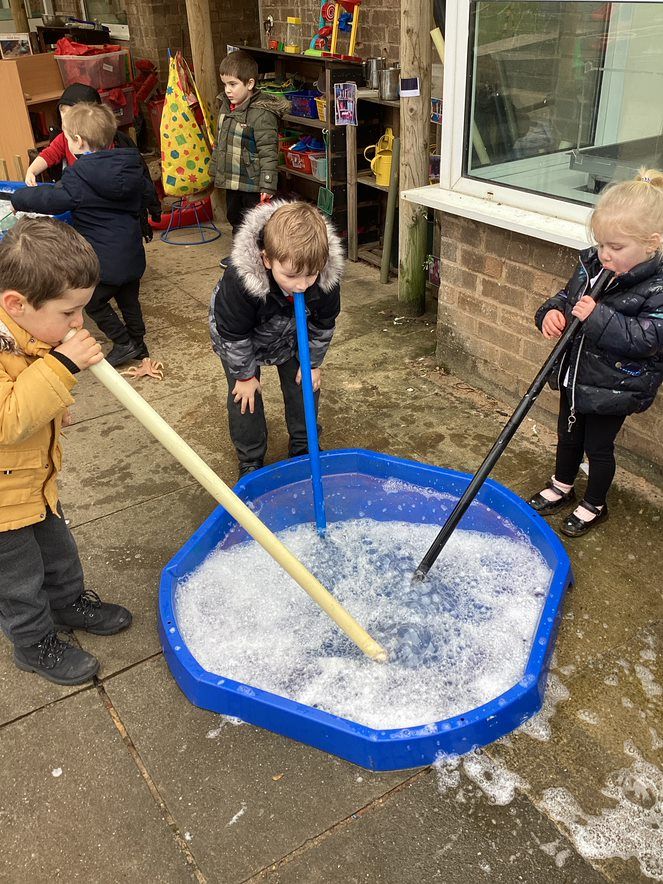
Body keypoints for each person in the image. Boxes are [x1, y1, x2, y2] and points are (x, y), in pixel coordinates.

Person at [0, 217, 132, 685]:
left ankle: (68, 602)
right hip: (1, 505)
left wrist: (52, 409)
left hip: (33, 480)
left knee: (58, 550)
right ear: (16, 303)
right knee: (16, 579)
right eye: (68, 312)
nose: (78, 322)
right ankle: (34, 643)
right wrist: (62, 366)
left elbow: (27, 392)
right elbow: (8, 419)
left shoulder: (25, 327)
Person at [528, 169, 663, 537]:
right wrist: (550, 312)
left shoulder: (657, 287)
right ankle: (562, 484)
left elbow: (647, 339)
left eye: (616, 248)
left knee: (598, 447)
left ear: (651, 244)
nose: (604, 254)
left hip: (614, 386)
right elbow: (566, 298)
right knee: (568, 436)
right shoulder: (592, 264)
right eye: (601, 244)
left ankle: (595, 503)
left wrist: (598, 315)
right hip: (576, 375)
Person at [12, 102, 159, 368]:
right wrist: (155, 212)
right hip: (131, 252)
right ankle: (139, 343)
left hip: (103, 259)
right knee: (129, 299)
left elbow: (53, 199)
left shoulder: (80, 175)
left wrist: (20, 198)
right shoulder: (131, 165)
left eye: (67, 138)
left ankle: (123, 341)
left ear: (78, 142)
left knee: (93, 302)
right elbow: (148, 192)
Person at [209, 199, 343, 478]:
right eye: (291, 275)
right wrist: (245, 376)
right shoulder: (241, 281)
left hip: (293, 333)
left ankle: (304, 447)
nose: (302, 285)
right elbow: (232, 334)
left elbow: (322, 324)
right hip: (242, 338)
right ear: (266, 259)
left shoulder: (324, 279)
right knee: (244, 397)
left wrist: (314, 363)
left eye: (310, 275)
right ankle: (251, 459)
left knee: (305, 385)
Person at [23, 82, 161, 243]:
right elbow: (49, 154)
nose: (66, 128)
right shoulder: (64, 138)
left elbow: (141, 183)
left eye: (71, 118)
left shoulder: (112, 147)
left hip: (108, 202)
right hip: (82, 197)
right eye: (63, 116)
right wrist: (32, 170)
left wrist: (152, 210)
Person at [208, 49, 290, 269]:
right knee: (235, 217)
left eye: (233, 84)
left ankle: (259, 259)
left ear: (250, 83)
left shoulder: (262, 114)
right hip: (233, 179)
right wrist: (215, 171)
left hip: (253, 182)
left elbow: (268, 152)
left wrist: (267, 184)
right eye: (225, 84)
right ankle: (241, 257)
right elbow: (221, 143)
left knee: (254, 223)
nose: (227, 90)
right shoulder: (226, 107)